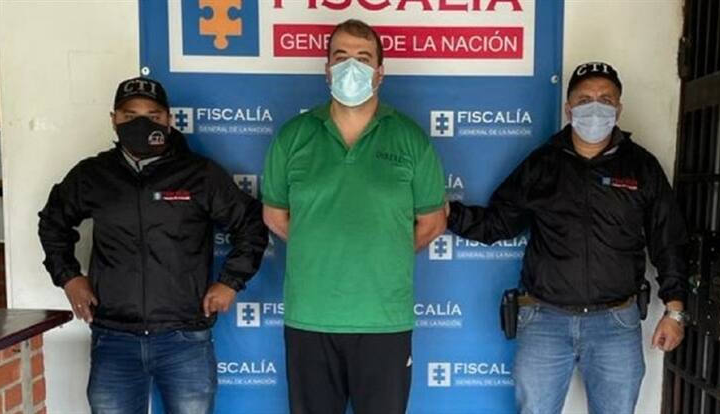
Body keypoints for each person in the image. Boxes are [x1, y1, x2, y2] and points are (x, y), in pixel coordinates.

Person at [448, 62, 688, 414]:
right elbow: (497, 223)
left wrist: (675, 311)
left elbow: (668, 239)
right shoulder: (542, 165)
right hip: (545, 321)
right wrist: (445, 213)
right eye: (585, 99)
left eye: (606, 100)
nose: (596, 108)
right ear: (568, 108)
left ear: (619, 109)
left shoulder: (641, 168)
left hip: (615, 324)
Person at [38, 77, 268, 414]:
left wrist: (230, 282)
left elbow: (250, 223)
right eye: (130, 116)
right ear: (114, 119)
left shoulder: (199, 175)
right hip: (114, 336)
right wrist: (69, 277)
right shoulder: (93, 175)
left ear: (169, 120)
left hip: (184, 338)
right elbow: (53, 222)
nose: (142, 124)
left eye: (153, 116)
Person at [262, 19, 447, 414]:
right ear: (327, 69)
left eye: (363, 58)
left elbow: (432, 223)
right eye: (341, 56)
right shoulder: (293, 136)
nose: (351, 67)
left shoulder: (411, 138)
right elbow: (275, 216)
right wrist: (324, 245)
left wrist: (382, 249)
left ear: (380, 72)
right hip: (310, 317)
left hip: (384, 319)